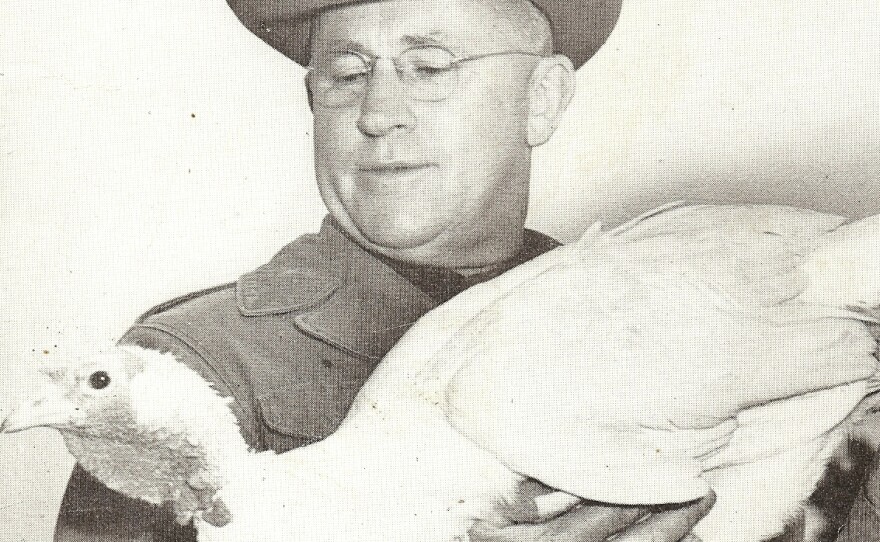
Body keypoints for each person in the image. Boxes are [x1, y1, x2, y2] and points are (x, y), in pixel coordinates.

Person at [52, 1, 877, 541]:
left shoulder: (659, 295)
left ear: (542, 100)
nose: (377, 115)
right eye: (345, 74)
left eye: (431, 66)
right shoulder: (192, 371)